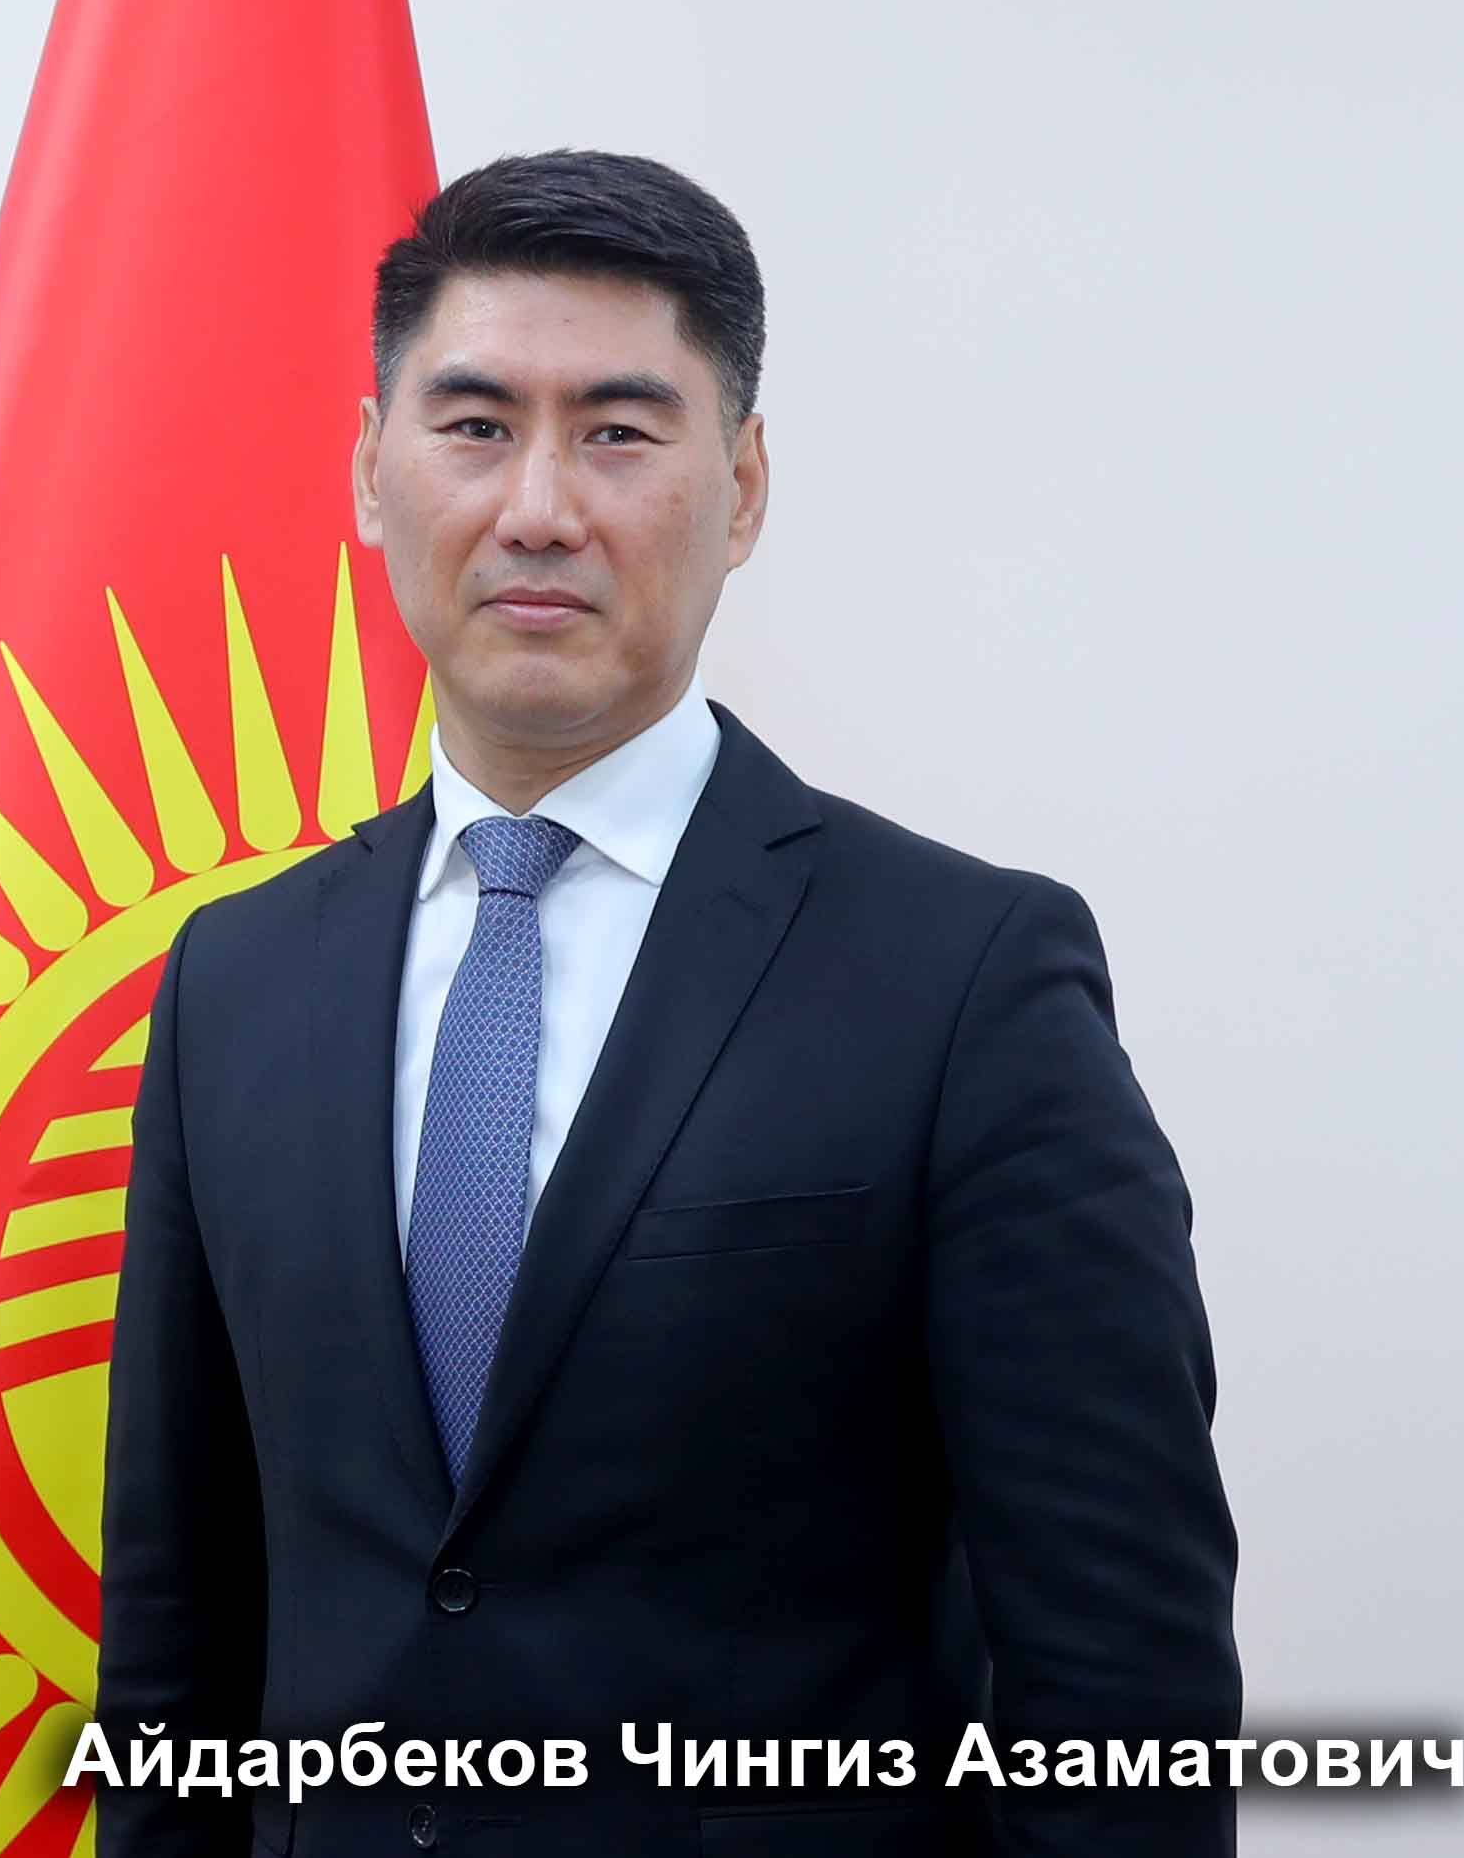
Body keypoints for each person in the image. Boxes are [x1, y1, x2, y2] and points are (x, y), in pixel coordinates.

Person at [96, 149, 1241, 1856]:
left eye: (618, 433)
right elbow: (176, 1638)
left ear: (743, 486)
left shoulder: (962, 979)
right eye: (473, 425)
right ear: (370, 471)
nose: (537, 508)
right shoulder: (238, 982)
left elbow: (1118, 1680)